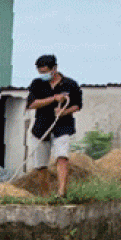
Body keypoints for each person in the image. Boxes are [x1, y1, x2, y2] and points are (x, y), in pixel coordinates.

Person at [27, 54, 83, 197]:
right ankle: (45, 195)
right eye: (41, 72)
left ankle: (61, 193)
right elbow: (32, 104)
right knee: (40, 165)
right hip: (41, 128)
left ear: (55, 68)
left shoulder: (71, 84)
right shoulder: (36, 84)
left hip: (62, 126)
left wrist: (64, 112)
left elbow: (77, 105)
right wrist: (53, 99)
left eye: (46, 72)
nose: (43, 75)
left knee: (62, 157)